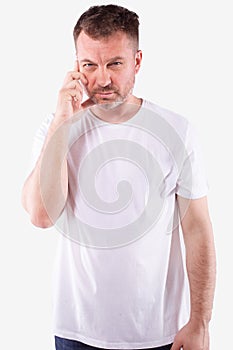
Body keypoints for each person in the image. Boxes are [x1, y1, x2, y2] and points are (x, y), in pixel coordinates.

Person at [21, 4, 216, 350]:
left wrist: (200, 322)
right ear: (76, 67)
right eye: (89, 66)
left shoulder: (177, 130)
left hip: (159, 334)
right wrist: (61, 124)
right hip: (77, 332)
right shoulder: (56, 129)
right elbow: (40, 215)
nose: (103, 79)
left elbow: (198, 230)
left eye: (115, 63)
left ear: (137, 61)